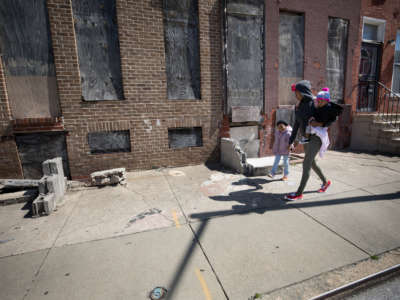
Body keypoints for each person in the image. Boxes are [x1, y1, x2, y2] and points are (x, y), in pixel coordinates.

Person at [285, 81, 331, 201]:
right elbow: (296, 124)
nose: (295, 94)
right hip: (306, 137)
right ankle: (326, 182)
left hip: (316, 137)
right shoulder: (299, 105)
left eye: (297, 92)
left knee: (306, 163)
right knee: (311, 163)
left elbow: (327, 118)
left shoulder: (314, 104)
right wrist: (291, 140)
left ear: (302, 92)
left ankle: (299, 193)